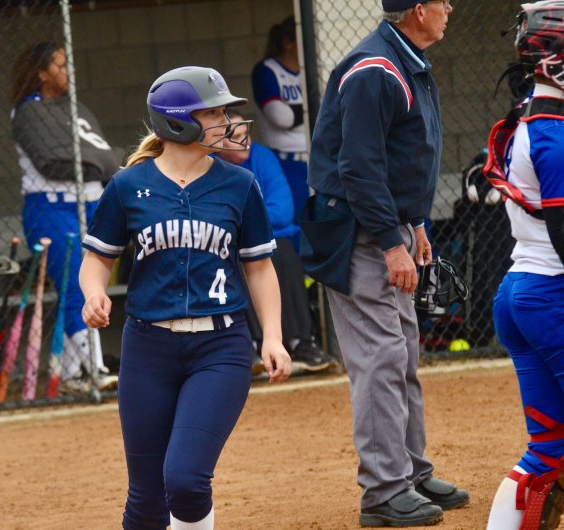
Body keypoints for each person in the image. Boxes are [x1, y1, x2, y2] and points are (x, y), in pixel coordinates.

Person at [79, 66, 292, 530]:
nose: (226, 121)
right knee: (146, 501)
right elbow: (96, 260)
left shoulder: (239, 185)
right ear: (178, 122)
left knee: (187, 480)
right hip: (147, 349)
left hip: (220, 348)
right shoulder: (128, 186)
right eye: (213, 112)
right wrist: (94, 294)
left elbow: (259, 267)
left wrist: (271, 338)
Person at [301, 0, 469, 527]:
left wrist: (415, 225)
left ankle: (411, 473)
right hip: (358, 232)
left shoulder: (403, 60)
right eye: (443, 1)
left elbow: (404, 159)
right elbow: (359, 168)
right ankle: (382, 492)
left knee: (403, 352)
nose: (450, 9)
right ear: (418, 10)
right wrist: (391, 242)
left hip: (386, 227)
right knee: (379, 358)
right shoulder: (376, 70)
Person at [486, 2, 564, 528]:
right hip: (550, 295)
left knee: (550, 450)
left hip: (523, 292)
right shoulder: (553, 135)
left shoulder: (532, 118)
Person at [10, 41, 119, 394]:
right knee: (76, 285)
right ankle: (96, 367)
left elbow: (106, 157)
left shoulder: (76, 109)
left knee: (92, 287)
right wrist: (99, 163)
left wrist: (98, 163)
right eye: (58, 65)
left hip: (92, 202)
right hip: (52, 207)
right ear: (41, 73)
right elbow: (51, 163)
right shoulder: (28, 112)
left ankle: (73, 374)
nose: (67, 71)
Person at [217, 112, 337, 373]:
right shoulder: (209, 166)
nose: (245, 142)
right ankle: (252, 344)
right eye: (235, 138)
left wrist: (244, 222)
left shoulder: (262, 157)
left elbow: (283, 209)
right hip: (227, 244)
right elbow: (215, 218)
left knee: (282, 249)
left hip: (266, 237)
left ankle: (301, 342)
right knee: (238, 256)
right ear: (217, 142)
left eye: (245, 135)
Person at [251, 15, 310, 242]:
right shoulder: (267, 70)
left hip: (317, 159)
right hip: (285, 160)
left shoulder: (313, 66)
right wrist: (310, 107)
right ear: (288, 42)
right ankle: (299, 278)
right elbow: (281, 116)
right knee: (295, 224)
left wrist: (296, 110)